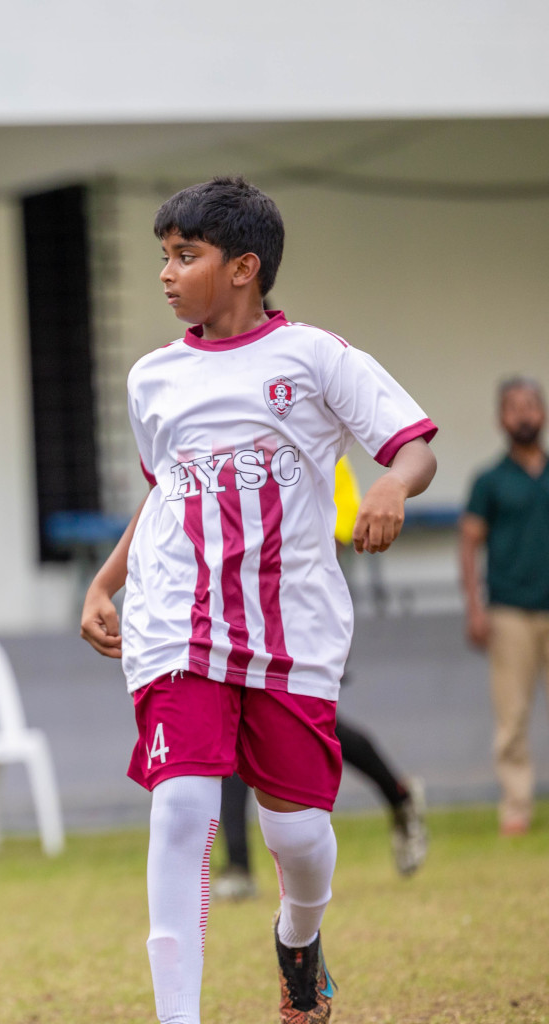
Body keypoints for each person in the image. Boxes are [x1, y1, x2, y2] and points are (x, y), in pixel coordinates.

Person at [80, 177, 437, 1024]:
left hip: (292, 630)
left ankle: (300, 940)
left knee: (298, 839)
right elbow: (167, 491)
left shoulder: (314, 357)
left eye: (185, 256)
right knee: (182, 808)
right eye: (162, 256)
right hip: (178, 626)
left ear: (244, 267)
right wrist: (108, 579)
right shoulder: (152, 378)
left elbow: (414, 444)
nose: (166, 274)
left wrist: (391, 486)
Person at [216, 457, 428, 901]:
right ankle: (238, 864)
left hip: (300, 606)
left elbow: (345, 525)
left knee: (320, 726)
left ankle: (400, 796)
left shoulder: (316, 441)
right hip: (236, 605)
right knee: (233, 726)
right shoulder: (229, 432)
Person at [460, 376, 549, 836]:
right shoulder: (489, 481)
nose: (524, 415)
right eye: (515, 408)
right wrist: (474, 607)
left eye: (531, 406)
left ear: (544, 413)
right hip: (510, 609)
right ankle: (517, 806)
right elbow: (469, 542)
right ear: (501, 418)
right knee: (512, 716)